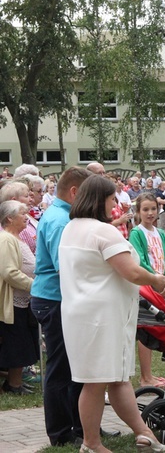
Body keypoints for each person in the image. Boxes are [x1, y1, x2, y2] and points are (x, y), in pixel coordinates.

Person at [58, 176, 165, 453]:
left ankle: (144, 432)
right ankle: (91, 443)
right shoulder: (102, 231)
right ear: (100, 200)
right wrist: (156, 279)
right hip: (102, 318)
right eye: (111, 199)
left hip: (80, 313)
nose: (115, 204)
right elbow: (130, 270)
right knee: (96, 382)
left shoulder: (71, 228)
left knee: (116, 379)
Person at [30, 167, 92, 446]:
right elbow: (65, 267)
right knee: (60, 369)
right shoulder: (60, 221)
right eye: (88, 196)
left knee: (75, 367)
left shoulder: (64, 216)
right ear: (75, 192)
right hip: (54, 300)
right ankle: (60, 433)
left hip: (61, 299)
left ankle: (81, 427)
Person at [129, 193, 165, 389]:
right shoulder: (137, 233)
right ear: (138, 212)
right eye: (145, 209)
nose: (150, 213)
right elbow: (140, 259)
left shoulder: (161, 233)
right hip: (147, 287)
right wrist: (155, 281)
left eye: (153, 209)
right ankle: (145, 376)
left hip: (162, 285)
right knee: (145, 329)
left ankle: (152, 374)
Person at [0, 200, 37, 395]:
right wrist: (35, 286)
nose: (27, 216)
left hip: (22, 299)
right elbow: (8, 272)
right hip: (11, 300)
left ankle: (15, 383)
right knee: (16, 342)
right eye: (22, 213)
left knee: (21, 342)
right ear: (9, 218)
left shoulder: (16, 237)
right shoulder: (6, 239)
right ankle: (13, 385)